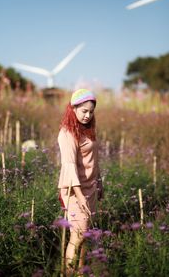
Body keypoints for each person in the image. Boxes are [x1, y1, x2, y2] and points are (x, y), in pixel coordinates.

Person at [58, 88, 103, 275]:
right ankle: (67, 272)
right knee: (77, 236)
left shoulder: (87, 130)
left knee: (85, 234)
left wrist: (100, 183)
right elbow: (69, 166)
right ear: (73, 108)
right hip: (74, 189)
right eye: (84, 111)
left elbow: (94, 159)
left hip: (90, 187)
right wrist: (79, 195)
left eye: (91, 112)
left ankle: (80, 271)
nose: (87, 115)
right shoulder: (67, 133)